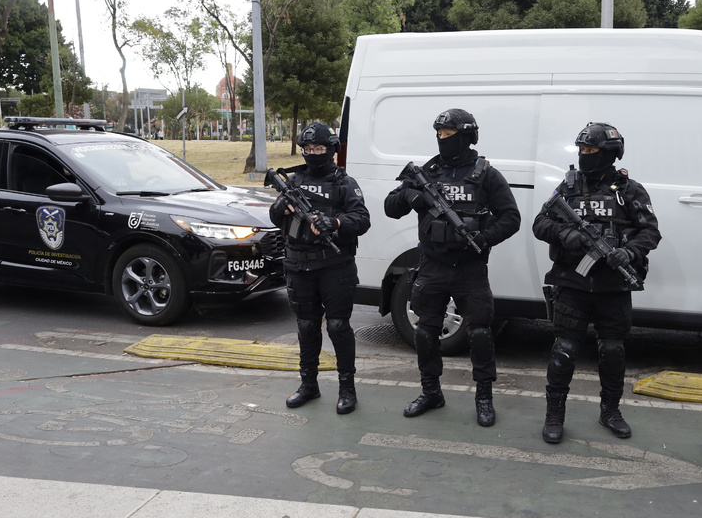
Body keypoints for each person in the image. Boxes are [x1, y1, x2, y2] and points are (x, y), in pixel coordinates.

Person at [383, 109, 520, 426]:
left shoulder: (486, 174)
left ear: (467, 136)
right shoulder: (427, 172)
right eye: (439, 134)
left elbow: (511, 218)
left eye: (448, 134)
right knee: (426, 334)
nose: (443, 140)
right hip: (432, 265)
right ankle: (431, 392)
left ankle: (483, 398)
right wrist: (410, 196)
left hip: (470, 268)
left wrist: (485, 238)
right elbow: (391, 207)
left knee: (482, 334)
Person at [531, 123, 661, 444]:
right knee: (564, 351)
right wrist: (565, 233)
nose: (584, 156)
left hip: (612, 287)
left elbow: (650, 232)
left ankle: (610, 412)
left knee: (614, 352)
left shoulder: (629, 190)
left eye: (591, 151)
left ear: (610, 154)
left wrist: (628, 251)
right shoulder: (567, 188)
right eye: (582, 151)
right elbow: (540, 222)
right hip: (572, 283)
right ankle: (554, 416)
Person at [268, 122, 371, 414]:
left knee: (338, 327)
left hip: (335, 267)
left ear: (331, 150)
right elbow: (276, 217)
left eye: (319, 148)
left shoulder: (344, 182)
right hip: (298, 265)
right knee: (307, 326)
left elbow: (362, 219)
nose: (313, 154)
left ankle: (347, 388)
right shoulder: (293, 180)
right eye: (308, 149)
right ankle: (308, 385)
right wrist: (280, 208)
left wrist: (335, 223)